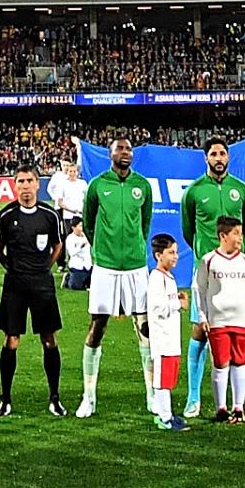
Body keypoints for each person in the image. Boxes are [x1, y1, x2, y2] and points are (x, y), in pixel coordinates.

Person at [181, 139, 245, 417]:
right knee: (199, 332)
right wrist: (208, 257)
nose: (219, 158)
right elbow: (187, 230)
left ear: (228, 158)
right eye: (214, 153)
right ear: (206, 158)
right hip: (208, 271)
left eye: (223, 153)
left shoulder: (241, 190)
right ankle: (194, 398)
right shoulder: (194, 192)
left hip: (238, 273)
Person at [78, 137, 157, 419]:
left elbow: (144, 224)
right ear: (110, 154)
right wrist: (102, 250)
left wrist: (135, 248)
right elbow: (88, 223)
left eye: (128, 149)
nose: (125, 153)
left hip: (136, 267)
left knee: (145, 330)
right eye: (119, 149)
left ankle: (152, 396)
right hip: (106, 267)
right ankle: (89, 397)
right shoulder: (98, 185)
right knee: (98, 326)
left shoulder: (143, 186)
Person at [0, 164, 66, 416]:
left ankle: (54, 397)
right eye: (20, 181)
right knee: (11, 340)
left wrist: (45, 266)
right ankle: (5, 398)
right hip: (15, 285)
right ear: (15, 185)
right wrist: (12, 267)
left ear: (37, 184)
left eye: (29, 181)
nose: (25, 186)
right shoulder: (4, 216)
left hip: (42, 285)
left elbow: (58, 245)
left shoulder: (50, 215)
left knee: (48, 338)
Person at [196, 217, 245, 423]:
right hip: (217, 321)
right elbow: (199, 289)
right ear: (223, 236)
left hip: (242, 321)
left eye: (241, 233)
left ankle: (238, 407)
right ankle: (221, 408)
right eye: (236, 233)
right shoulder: (208, 261)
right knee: (220, 363)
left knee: (239, 362)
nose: (240, 238)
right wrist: (202, 316)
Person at [145, 234, 188, 431]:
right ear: (158, 255)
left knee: (168, 378)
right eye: (171, 253)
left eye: (176, 252)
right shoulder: (156, 278)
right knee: (162, 379)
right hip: (162, 340)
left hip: (171, 339)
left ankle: (168, 413)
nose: (175, 256)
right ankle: (163, 416)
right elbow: (157, 308)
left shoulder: (168, 277)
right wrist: (178, 303)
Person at [46, 153, 87, 226]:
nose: (65, 167)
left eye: (67, 165)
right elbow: (49, 188)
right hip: (60, 205)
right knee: (60, 223)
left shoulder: (77, 179)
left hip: (71, 206)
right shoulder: (57, 176)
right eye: (64, 165)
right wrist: (55, 198)